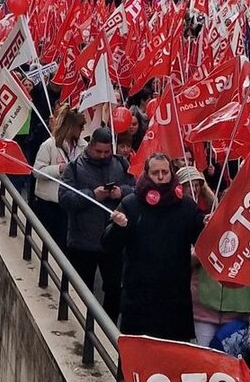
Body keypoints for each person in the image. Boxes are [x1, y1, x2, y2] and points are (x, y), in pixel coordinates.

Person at [103, 152, 205, 338]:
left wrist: (208, 225)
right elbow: (109, 245)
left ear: (171, 173)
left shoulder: (187, 206)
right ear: (146, 174)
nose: (160, 177)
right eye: (155, 172)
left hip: (175, 301)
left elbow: (202, 240)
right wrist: (118, 228)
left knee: (172, 363)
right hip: (139, 300)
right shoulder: (131, 204)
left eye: (164, 172)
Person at [58, 127, 133, 321]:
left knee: (115, 289)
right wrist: (93, 195)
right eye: (98, 151)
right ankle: (82, 323)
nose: (102, 156)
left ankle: (106, 325)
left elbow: (135, 190)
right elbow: (65, 199)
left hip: (113, 241)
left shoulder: (121, 164)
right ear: (90, 146)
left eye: (106, 152)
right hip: (83, 242)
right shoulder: (74, 167)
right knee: (82, 289)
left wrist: (121, 192)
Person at [33, 105, 86, 247]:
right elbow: (37, 171)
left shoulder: (83, 147)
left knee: (63, 243)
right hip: (48, 203)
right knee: (45, 243)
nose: (82, 130)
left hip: (68, 203)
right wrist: (59, 169)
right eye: (80, 127)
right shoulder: (49, 145)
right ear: (71, 127)